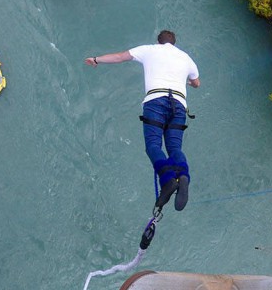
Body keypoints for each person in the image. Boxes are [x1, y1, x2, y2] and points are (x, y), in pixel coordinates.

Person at [85, 31, 200, 211]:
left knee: (154, 146)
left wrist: (96, 59)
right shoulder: (186, 58)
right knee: (175, 149)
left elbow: (119, 57)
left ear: (158, 41)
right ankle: (183, 176)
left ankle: (168, 179)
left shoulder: (148, 50)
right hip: (178, 105)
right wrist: (186, 82)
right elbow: (196, 83)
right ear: (174, 43)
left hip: (156, 102)